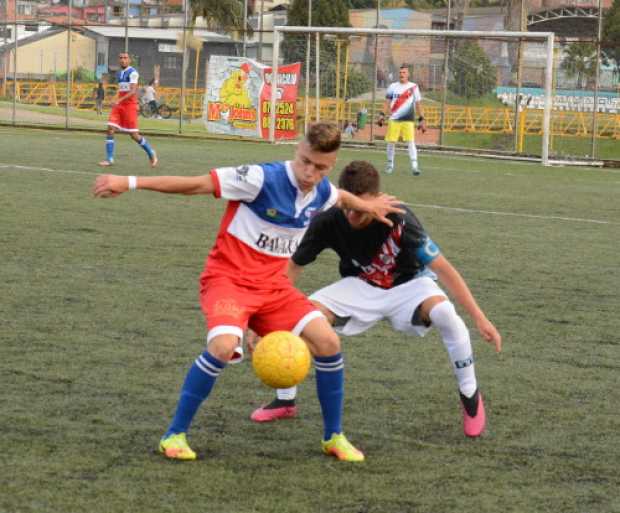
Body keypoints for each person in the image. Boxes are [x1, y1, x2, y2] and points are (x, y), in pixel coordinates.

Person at [92, 123, 404, 463]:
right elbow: (196, 185)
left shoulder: (323, 191)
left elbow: (340, 197)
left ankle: (333, 437)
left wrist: (368, 206)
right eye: (305, 162)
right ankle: (174, 434)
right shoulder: (259, 178)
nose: (309, 173)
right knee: (223, 347)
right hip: (228, 281)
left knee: (328, 342)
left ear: (331, 165)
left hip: (273, 288)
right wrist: (129, 182)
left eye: (320, 168)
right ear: (297, 150)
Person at [249, 160, 502, 438]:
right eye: (349, 207)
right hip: (359, 286)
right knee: (301, 317)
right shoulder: (328, 219)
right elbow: (291, 269)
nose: (353, 216)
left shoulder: (400, 218)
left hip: (410, 286)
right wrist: (266, 315)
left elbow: (445, 269)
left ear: (377, 199)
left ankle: (470, 396)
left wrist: (480, 319)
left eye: (361, 208)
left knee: (445, 315)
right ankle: (286, 400)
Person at [99, 52, 157, 168]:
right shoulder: (120, 73)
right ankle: (109, 159)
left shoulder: (133, 73)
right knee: (110, 129)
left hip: (129, 106)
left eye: (125, 58)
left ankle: (151, 152)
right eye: (120, 58)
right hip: (119, 106)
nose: (122, 60)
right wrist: (115, 99)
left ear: (129, 60)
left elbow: (132, 91)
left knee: (134, 135)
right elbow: (122, 90)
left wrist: (118, 100)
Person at [384, 64, 426, 176]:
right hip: (394, 119)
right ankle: (390, 164)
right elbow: (387, 102)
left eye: (404, 73)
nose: (402, 74)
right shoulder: (393, 86)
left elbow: (418, 104)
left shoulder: (413, 87)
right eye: (400, 72)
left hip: (408, 120)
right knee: (391, 142)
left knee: (410, 142)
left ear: (408, 74)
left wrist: (421, 119)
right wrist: (382, 114)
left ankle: (414, 166)